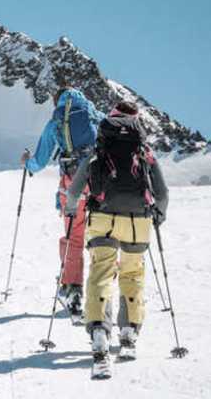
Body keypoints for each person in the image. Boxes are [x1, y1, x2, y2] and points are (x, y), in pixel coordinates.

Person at [64, 101, 170, 378]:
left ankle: (99, 332)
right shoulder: (143, 151)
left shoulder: (100, 147)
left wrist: (72, 207)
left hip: (103, 219)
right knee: (132, 274)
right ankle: (128, 333)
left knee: (101, 273)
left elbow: (75, 187)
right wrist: (159, 215)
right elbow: (162, 193)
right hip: (138, 221)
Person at [21, 86, 103, 322]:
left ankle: (73, 291)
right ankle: (102, 291)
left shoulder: (56, 121)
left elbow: (39, 160)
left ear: (57, 102)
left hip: (71, 184)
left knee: (74, 236)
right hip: (99, 184)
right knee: (102, 237)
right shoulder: (94, 114)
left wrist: (27, 163)